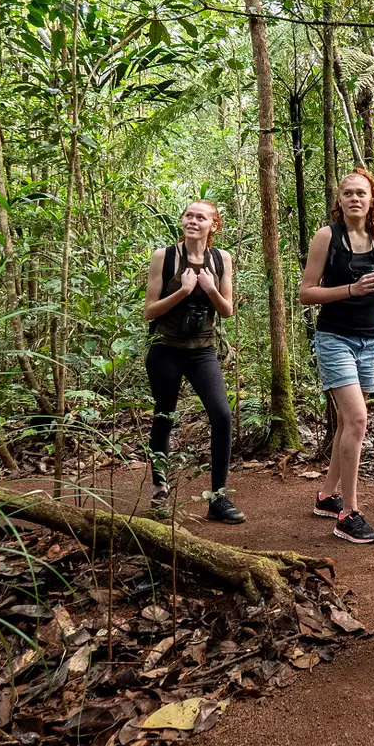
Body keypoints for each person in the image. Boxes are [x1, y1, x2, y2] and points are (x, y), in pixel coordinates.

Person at [298, 167, 374, 545]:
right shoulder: (327, 237)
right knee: (357, 419)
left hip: (370, 338)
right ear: (339, 201)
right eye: (348, 193)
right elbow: (307, 293)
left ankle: (326, 496)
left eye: (361, 193)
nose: (355, 198)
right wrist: (351, 290)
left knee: (347, 423)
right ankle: (348, 513)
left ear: (373, 200)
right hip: (334, 337)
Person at [142, 199, 242, 523]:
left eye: (201, 217)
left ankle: (218, 498)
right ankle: (159, 489)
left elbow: (226, 310)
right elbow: (149, 311)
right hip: (165, 349)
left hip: (202, 351)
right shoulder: (165, 257)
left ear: (214, 225)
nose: (193, 221)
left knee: (222, 415)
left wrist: (210, 289)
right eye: (188, 215)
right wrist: (183, 292)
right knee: (165, 416)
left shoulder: (221, 259)